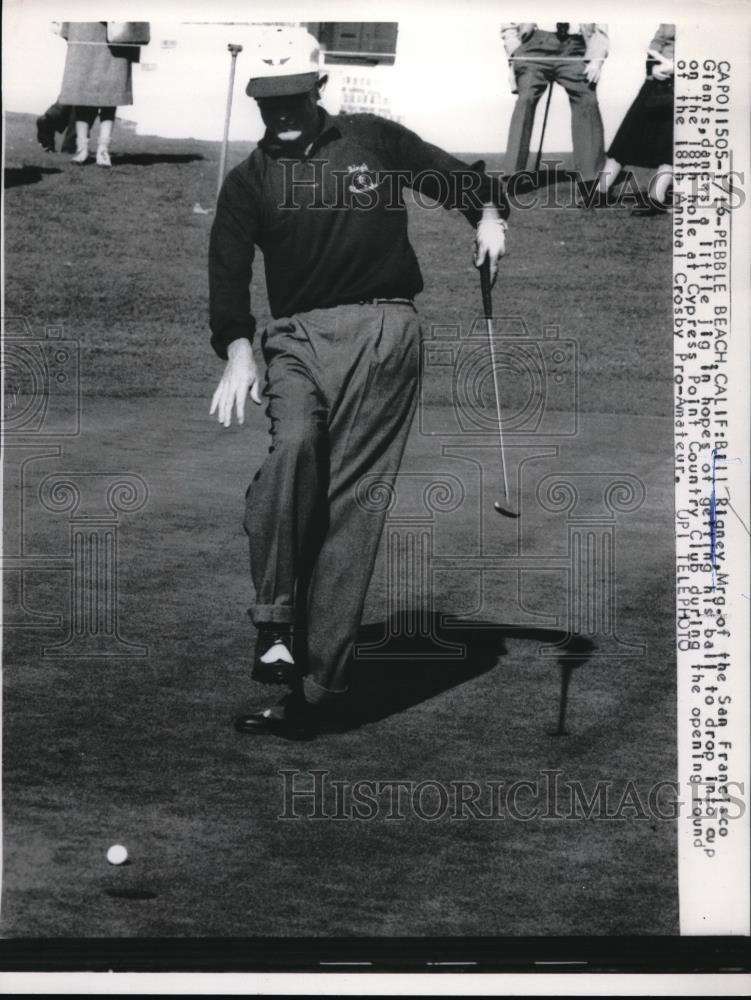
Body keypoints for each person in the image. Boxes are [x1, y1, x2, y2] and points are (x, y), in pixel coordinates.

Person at [209, 27, 509, 739]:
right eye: (265, 100)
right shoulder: (248, 181)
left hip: (386, 335)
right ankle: (275, 627)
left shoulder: (370, 138)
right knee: (291, 454)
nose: (277, 112)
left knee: (351, 508)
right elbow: (226, 279)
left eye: (289, 96)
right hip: (297, 342)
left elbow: (453, 177)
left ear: (316, 88)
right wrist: (237, 350)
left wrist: (489, 215)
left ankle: (310, 691)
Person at [501, 22, 608, 186]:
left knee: (587, 99)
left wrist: (596, 60)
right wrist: (514, 54)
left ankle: (591, 179)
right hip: (534, 47)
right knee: (526, 99)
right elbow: (509, 22)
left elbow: (601, 23)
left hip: (575, 47)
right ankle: (512, 176)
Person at [597, 24, 675, 216]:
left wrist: (676, 67)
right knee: (626, 136)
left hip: (688, 85)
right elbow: (656, 43)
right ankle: (601, 191)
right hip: (655, 83)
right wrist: (654, 67)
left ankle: (657, 198)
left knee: (671, 145)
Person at [57, 21, 145, 168]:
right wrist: (68, 28)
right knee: (82, 91)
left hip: (115, 31)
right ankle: (81, 148)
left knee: (111, 91)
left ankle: (103, 150)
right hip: (84, 30)